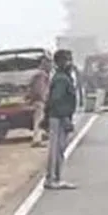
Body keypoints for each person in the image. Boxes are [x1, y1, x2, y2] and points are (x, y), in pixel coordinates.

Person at [44, 49, 77, 190]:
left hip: (58, 117)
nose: (70, 62)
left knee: (59, 148)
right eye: (68, 60)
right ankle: (52, 179)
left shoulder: (62, 77)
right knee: (56, 149)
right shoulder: (61, 79)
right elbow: (56, 100)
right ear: (61, 62)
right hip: (58, 118)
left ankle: (55, 178)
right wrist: (65, 118)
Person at [27, 56, 52, 148]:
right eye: (49, 64)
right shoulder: (41, 75)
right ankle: (36, 140)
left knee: (39, 120)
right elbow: (40, 89)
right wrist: (44, 99)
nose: (50, 66)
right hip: (39, 101)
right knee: (39, 121)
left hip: (38, 100)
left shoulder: (38, 74)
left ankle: (39, 138)